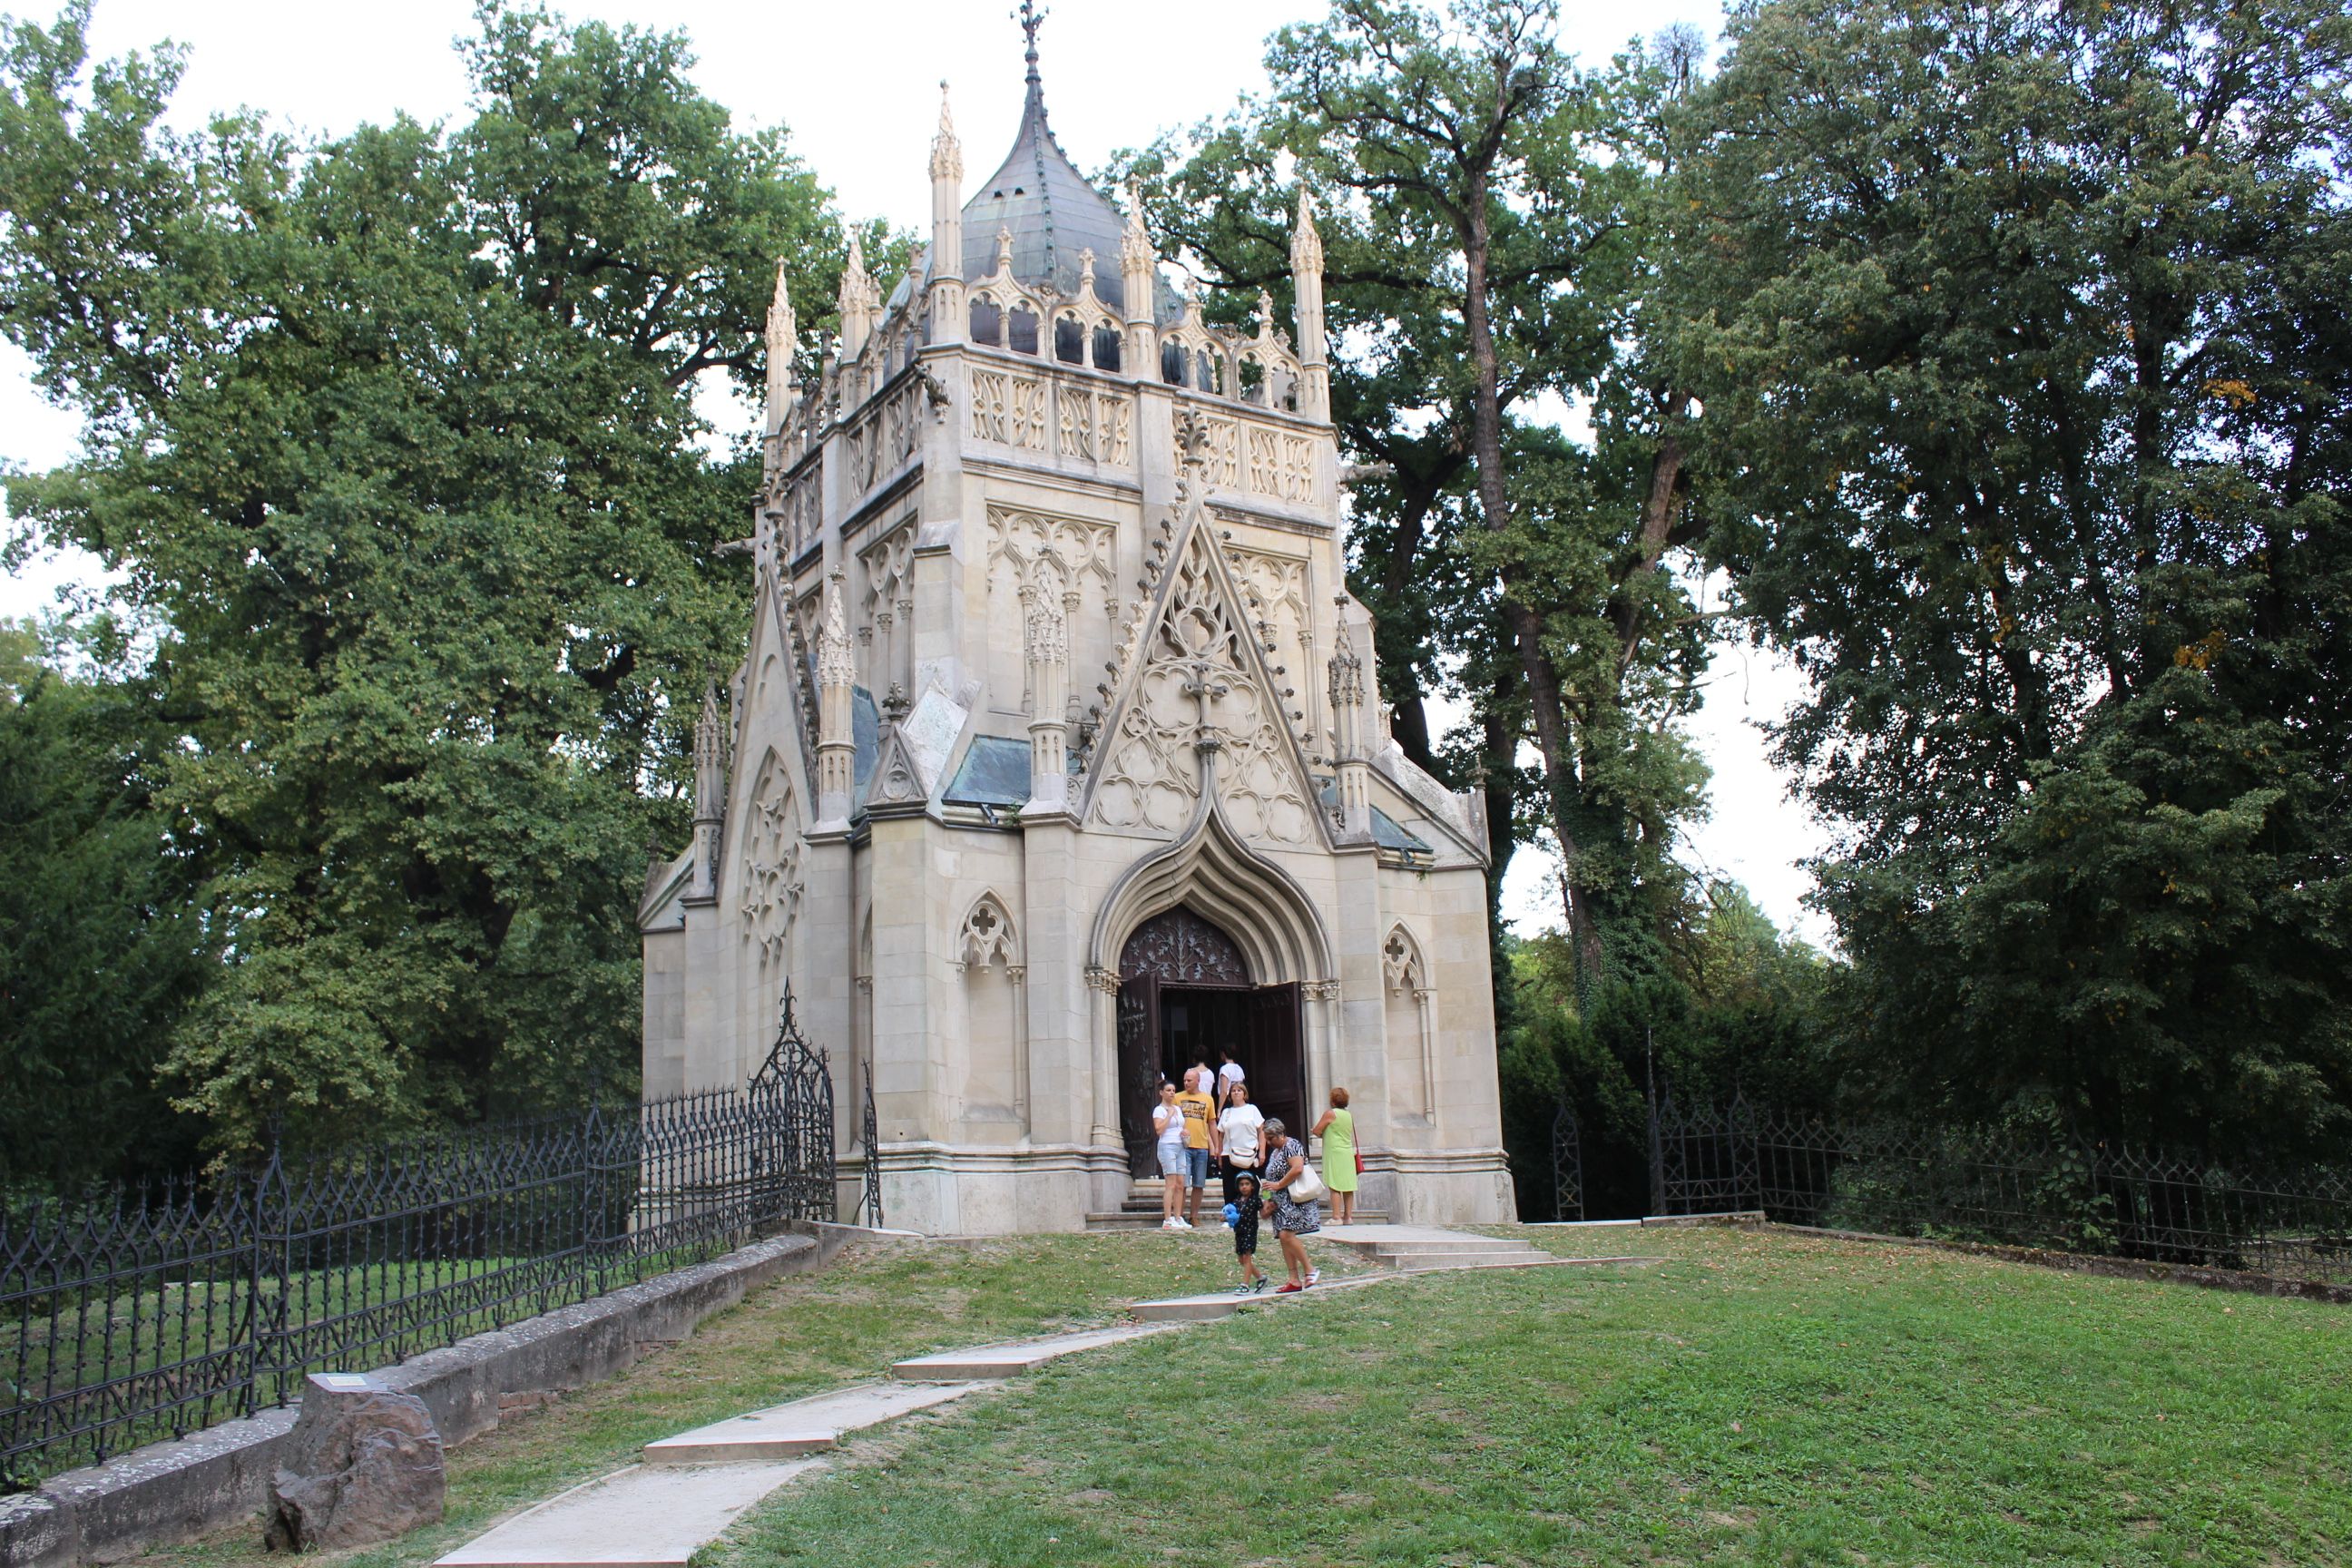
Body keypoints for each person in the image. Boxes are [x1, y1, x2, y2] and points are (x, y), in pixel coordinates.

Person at [1259, 1116, 1321, 1291]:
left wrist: (1279, 1185)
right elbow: (1268, 1180)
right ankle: (1294, 1280)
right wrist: (1266, 1200)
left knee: (1287, 1235)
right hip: (1280, 1204)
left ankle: (1310, 1270)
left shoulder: (1292, 1145)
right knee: (1283, 1238)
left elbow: (1297, 1168)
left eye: (1271, 1138)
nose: (1269, 1142)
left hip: (1295, 1201)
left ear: (1280, 1134)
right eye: (1267, 1139)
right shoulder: (1275, 1153)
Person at [1174, 1068, 1216, 1228]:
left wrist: (1215, 1146)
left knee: (1199, 1184)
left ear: (1198, 1081)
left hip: (1201, 1146)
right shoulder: (1177, 1098)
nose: (1186, 1083)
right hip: (1183, 1146)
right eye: (1185, 1080)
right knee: (1182, 1183)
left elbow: (1211, 1123)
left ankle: (1194, 1216)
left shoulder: (1208, 1099)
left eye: (1189, 1080)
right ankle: (1179, 1215)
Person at [1216, 1078, 1264, 1212]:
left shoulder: (1252, 1109)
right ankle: (1231, 1214)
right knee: (1229, 1187)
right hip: (1229, 1153)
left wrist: (1262, 1152)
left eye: (1239, 1090)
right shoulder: (1226, 1112)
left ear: (1244, 1093)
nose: (1236, 1093)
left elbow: (1261, 1131)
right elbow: (1221, 1135)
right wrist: (1219, 1154)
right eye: (1233, 1091)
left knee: (1250, 1185)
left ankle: (1249, 1213)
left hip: (1249, 1153)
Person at [1313, 1087, 1359, 1225]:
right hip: (1347, 1152)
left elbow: (1317, 1130)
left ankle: (1336, 1216)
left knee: (1335, 1185)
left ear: (1333, 1101)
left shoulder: (1330, 1114)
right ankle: (1348, 1217)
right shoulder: (1348, 1115)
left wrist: (1317, 1132)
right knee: (1348, 1185)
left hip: (1334, 1152)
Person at [1152, 1080, 1191, 1230]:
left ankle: (1178, 1217)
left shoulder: (1178, 1109)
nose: (1172, 1093)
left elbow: (1181, 1125)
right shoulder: (1159, 1110)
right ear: (1161, 1092)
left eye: (1173, 1090)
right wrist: (1168, 1116)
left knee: (1181, 1183)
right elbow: (1159, 1130)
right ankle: (1167, 1219)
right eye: (1168, 1090)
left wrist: (1185, 1132)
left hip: (1180, 1146)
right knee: (1171, 1183)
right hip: (1167, 1146)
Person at [1228, 1171, 1266, 1294]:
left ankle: (1245, 1284)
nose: (1244, 1187)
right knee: (1242, 1260)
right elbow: (1231, 1215)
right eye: (1241, 1184)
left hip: (1250, 1231)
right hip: (1239, 1232)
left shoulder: (1255, 1200)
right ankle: (1260, 1277)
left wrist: (1268, 1197)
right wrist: (1225, 1218)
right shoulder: (1236, 1201)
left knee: (1247, 1257)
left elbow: (1264, 1213)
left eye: (1247, 1184)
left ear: (1252, 1186)